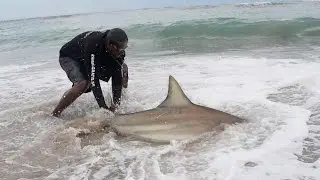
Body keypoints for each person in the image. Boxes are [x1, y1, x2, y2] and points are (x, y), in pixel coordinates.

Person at [51, 28, 129, 117]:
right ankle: (55, 113)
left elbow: (117, 78)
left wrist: (116, 105)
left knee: (123, 69)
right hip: (69, 57)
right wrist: (104, 109)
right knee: (83, 84)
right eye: (119, 48)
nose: (122, 51)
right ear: (110, 45)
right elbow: (94, 81)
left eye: (124, 47)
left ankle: (121, 102)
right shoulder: (93, 45)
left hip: (88, 59)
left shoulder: (119, 51)